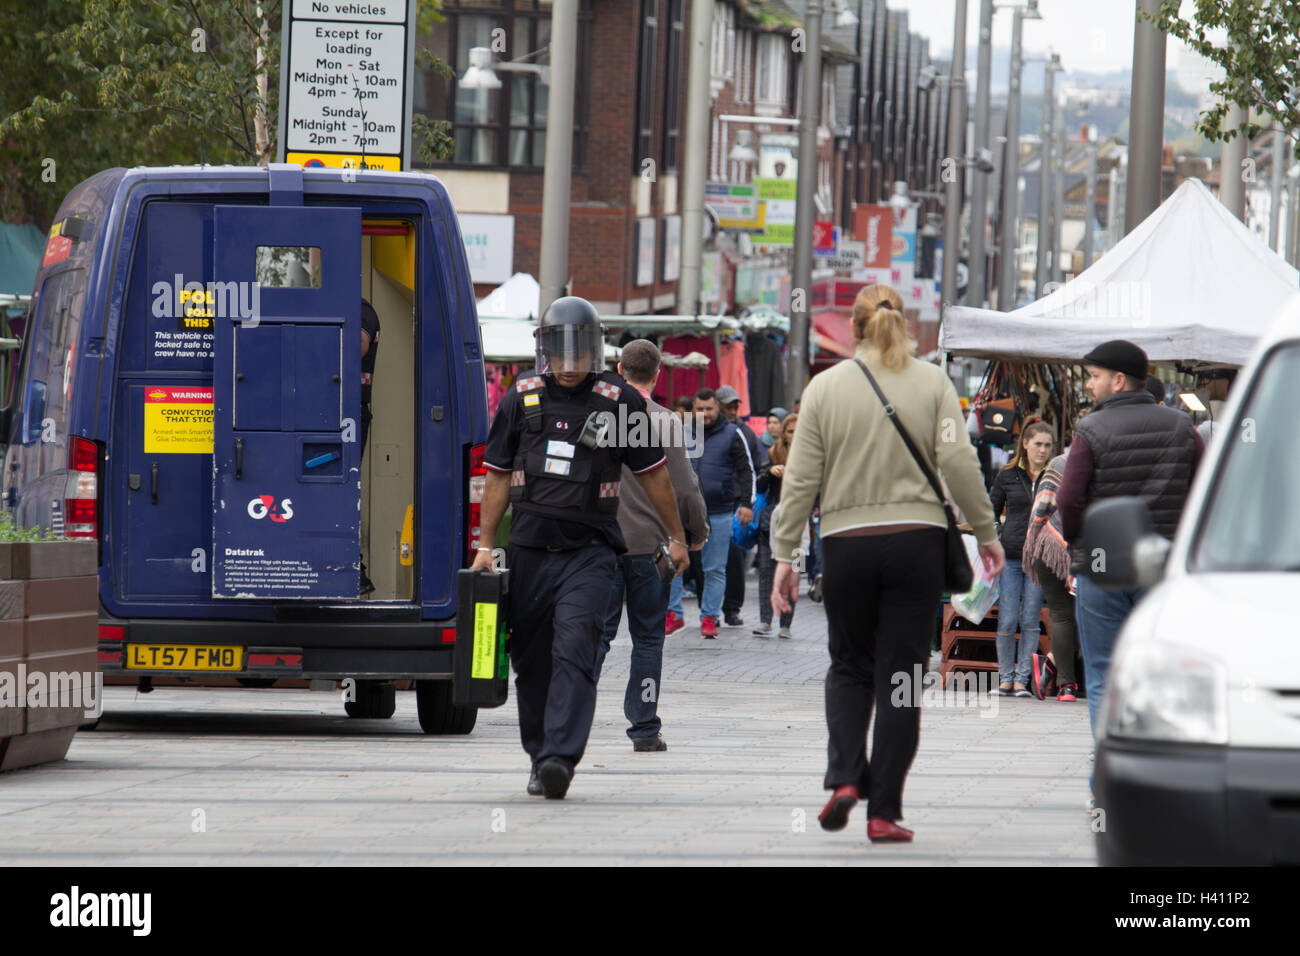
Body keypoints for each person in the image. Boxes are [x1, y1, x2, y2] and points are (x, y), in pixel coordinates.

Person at [772, 284, 1004, 844]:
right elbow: (959, 460)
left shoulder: (825, 388)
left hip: (847, 543)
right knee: (901, 675)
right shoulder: (933, 382)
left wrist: (785, 553)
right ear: (905, 324)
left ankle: (845, 779)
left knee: (849, 666)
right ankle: (885, 811)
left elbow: (800, 476)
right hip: (917, 545)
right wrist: (989, 533)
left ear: (854, 328)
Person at [472, 297, 688, 800]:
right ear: (544, 349)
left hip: (591, 552)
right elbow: (498, 479)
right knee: (532, 659)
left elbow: (655, 476)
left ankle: (559, 759)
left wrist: (676, 536)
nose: (570, 365)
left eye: (580, 352)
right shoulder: (519, 398)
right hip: (527, 548)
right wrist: (485, 546)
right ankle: (537, 754)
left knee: (576, 649)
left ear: (596, 349)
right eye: (560, 352)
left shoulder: (620, 403)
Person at [1057, 340, 1205, 744]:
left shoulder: (1090, 430)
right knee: (1162, 673)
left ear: (1118, 380)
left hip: (1103, 567)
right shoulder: (1182, 427)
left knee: (1104, 673)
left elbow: (1068, 499)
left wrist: (1080, 546)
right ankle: (1153, 776)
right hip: (1163, 567)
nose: (1089, 385)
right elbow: (1206, 494)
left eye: (1094, 376)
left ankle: (1104, 784)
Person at [594, 340, 708, 752]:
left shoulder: (599, 420)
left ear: (620, 369)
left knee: (596, 636)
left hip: (602, 545)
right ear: (658, 373)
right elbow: (685, 489)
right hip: (651, 550)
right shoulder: (668, 423)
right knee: (647, 640)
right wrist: (695, 532)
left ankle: (573, 711)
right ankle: (643, 728)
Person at [666, 388, 754, 639]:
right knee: (673, 563)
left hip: (719, 511)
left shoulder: (732, 433)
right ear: (693, 408)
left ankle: (709, 617)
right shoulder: (680, 432)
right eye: (700, 409)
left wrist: (746, 503)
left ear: (718, 408)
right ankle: (674, 614)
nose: (704, 414)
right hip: (681, 511)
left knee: (715, 568)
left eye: (709, 409)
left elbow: (746, 470)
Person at [987, 421, 1054, 697]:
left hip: (1039, 558)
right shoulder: (1007, 475)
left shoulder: (1055, 475)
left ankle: (1022, 679)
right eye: (1037, 444)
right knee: (1006, 619)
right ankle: (1005, 677)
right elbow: (990, 509)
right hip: (1012, 555)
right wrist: (996, 536)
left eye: (1048, 445)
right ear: (1025, 444)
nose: (1042, 450)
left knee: (1030, 619)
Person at [1023, 445, 1080, 702]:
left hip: (1047, 545)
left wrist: (1033, 543)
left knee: (1062, 614)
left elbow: (1041, 508)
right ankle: (1058, 671)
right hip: (1091, 550)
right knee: (1087, 612)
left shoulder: (1059, 463)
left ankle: (1066, 686)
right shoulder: (1108, 466)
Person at [717, 384, 761, 627]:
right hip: (711, 500)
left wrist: (748, 502)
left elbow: (753, 469)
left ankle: (732, 607)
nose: (732, 410)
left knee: (735, 556)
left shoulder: (746, 433)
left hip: (735, 501)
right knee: (707, 559)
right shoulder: (704, 430)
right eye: (728, 405)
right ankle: (709, 608)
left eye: (735, 405)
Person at [753, 412, 797, 639]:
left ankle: (786, 624)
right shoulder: (773, 452)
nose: (794, 435)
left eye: (798, 430)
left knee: (795, 571)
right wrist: (770, 472)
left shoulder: (811, 454)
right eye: (790, 431)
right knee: (766, 572)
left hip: (799, 520)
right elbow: (759, 486)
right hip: (770, 521)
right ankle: (765, 620)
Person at [359, 298, 381, 595]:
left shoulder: (362, 311)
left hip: (350, 411)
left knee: (341, 488)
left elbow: (357, 346)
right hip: (330, 410)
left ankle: (353, 566)